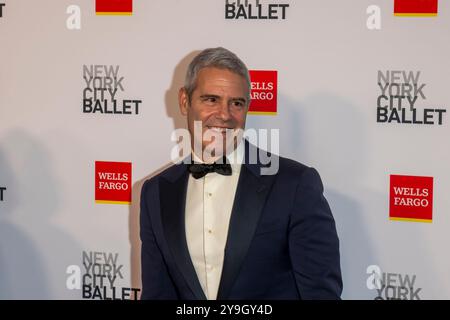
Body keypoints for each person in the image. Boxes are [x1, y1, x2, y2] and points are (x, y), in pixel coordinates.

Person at [140, 47, 342, 300]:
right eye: (211, 99)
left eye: (236, 103)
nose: (224, 115)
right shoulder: (156, 192)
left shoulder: (294, 185)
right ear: (184, 101)